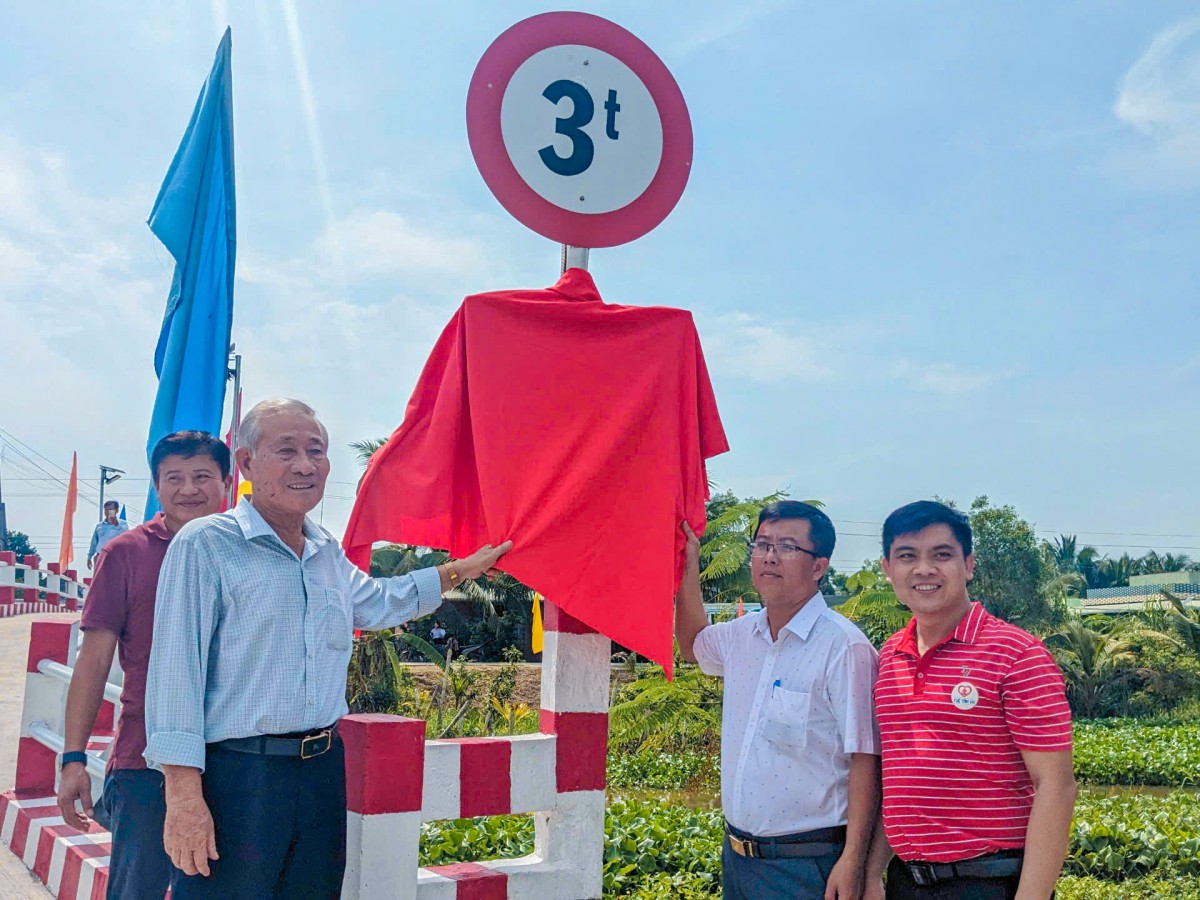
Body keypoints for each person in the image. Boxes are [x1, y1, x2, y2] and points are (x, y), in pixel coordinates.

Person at [143, 398, 512, 897]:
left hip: (320, 772)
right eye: (287, 451)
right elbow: (175, 676)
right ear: (246, 463)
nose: (305, 465)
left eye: (315, 451)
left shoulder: (324, 551)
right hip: (239, 777)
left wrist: (460, 571)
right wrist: (184, 797)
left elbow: (378, 602)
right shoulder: (205, 544)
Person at [864, 501, 1076, 900]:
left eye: (941, 555)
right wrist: (872, 873)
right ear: (888, 569)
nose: (924, 569)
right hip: (906, 881)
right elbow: (895, 779)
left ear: (969, 565)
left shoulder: (1018, 654)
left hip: (989, 880)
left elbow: (1056, 786)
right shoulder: (889, 655)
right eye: (907, 556)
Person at [675, 501, 880, 900]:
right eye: (762, 544)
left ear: (819, 566)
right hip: (737, 859)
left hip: (805, 865)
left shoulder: (843, 647)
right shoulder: (741, 636)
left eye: (787, 547)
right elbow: (691, 646)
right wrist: (688, 564)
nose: (769, 556)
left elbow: (865, 758)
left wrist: (854, 861)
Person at [58, 431, 233, 898]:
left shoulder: (246, 550)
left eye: (202, 476)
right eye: (174, 478)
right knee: (139, 890)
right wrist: (73, 758)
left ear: (227, 482)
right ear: (157, 486)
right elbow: (93, 661)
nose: (188, 489)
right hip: (145, 761)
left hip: (234, 760)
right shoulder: (126, 554)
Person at [87, 500, 128, 569]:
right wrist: (89, 557)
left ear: (116, 510)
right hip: (100, 556)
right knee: (100, 575)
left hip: (116, 557)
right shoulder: (100, 525)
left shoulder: (123, 524)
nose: (107, 512)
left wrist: (116, 524)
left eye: (110, 510)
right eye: (106, 510)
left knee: (115, 575)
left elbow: (126, 536)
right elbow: (94, 543)